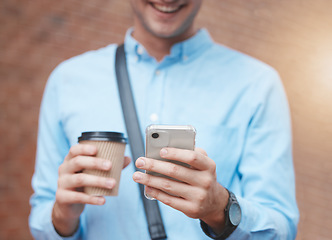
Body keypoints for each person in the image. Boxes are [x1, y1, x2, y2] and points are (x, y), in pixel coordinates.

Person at [29, 0, 299, 239]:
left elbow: (282, 227)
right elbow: (41, 215)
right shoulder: (66, 82)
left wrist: (221, 208)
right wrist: (62, 216)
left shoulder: (258, 85)